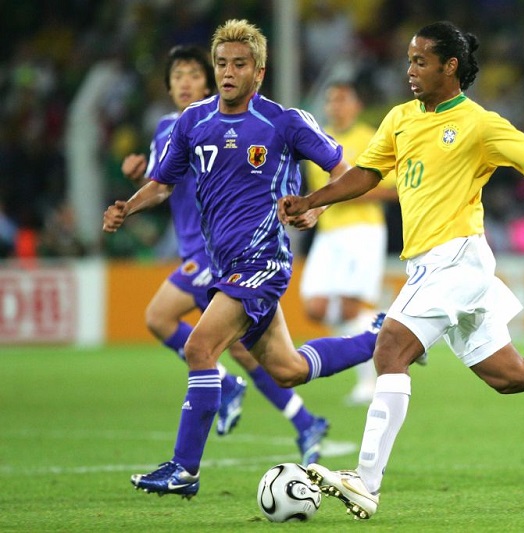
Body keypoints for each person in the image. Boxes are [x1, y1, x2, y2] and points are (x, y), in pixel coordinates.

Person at [279, 21, 524, 520]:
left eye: (421, 61)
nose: (410, 70)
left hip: (456, 259)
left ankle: (365, 482)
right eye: (409, 60)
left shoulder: (479, 124)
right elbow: (366, 175)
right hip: (432, 264)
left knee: (389, 349)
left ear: (450, 66)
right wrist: (313, 201)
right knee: (509, 374)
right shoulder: (399, 118)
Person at [102, 19, 382, 499]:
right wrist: (129, 206)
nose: (228, 73)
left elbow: (345, 171)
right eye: (222, 64)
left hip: (262, 263)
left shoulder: (284, 121)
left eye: (239, 64)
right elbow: (163, 184)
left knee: (200, 348)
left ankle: (184, 470)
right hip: (225, 265)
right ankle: (381, 337)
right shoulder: (193, 122)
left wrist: (315, 207)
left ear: (259, 71)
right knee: (288, 369)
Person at [120, 44, 329, 465]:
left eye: (194, 75)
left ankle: (195, 451)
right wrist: (138, 182)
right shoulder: (172, 127)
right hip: (201, 250)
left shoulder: (230, 122)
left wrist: (308, 204)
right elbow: (164, 182)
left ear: (209, 83)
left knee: (179, 327)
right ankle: (300, 418)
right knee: (252, 353)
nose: (185, 83)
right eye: (177, 76)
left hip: (217, 252)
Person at [299, 80, 398, 406]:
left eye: (342, 100)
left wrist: (349, 192)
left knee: (351, 307)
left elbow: (395, 187)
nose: (336, 106)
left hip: (362, 230)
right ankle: (393, 327)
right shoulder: (318, 142)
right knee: (315, 307)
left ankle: (369, 383)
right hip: (328, 233)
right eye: (331, 101)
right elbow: (321, 191)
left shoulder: (370, 138)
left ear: (356, 106)